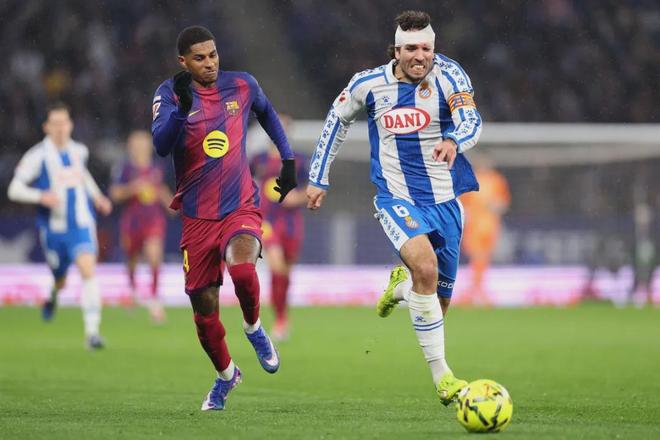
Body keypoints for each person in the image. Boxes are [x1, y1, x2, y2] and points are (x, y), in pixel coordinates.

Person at [306, 10, 482, 406]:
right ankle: (443, 378)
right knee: (426, 268)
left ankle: (401, 288)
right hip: (396, 197)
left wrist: (453, 140)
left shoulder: (451, 75)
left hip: (446, 201)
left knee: (438, 302)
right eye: (412, 49)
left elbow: (471, 120)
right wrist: (318, 177)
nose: (421, 56)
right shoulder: (368, 84)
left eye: (427, 49)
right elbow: (336, 121)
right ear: (396, 51)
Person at [151, 26, 297, 411]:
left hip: (239, 205)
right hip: (197, 217)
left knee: (244, 271)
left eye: (213, 55)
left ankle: (254, 327)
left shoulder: (242, 85)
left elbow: (267, 113)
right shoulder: (169, 93)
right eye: (199, 58)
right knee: (204, 314)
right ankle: (227, 375)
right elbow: (161, 145)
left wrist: (287, 159)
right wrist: (181, 109)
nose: (210, 63)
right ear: (183, 61)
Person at [7, 102, 113, 349]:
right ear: (46, 127)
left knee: (88, 270)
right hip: (54, 231)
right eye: (55, 123)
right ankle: (53, 294)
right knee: (61, 280)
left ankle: (92, 333)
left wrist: (97, 197)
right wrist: (40, 196)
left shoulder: (79, 151)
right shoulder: (37, 156)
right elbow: (14, 189)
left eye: (64, 122)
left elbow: (82, 176)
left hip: (81, 225)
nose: (60, 128)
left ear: (70, 125)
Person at [250, 115, 308, 341]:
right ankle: (280, 319)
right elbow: (244, 182)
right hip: (268, 221)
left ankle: (283, 314)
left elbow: (311, 190)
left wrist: (297, 197)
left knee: (286, 272)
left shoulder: (299, 160)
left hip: (291, 223)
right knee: (276, 266)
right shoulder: (259, 159)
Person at [109, 130, 172, 322]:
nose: (140, 148)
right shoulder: (124, 168)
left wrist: (170, 203)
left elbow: (164, 191)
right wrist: (133, 187)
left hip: (153, 219)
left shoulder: (158, 168)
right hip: (132, 221)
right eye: (136, 144)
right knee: (132, 258)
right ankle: (133, 290)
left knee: (154, 256)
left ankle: (154, 300)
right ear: (130, 147)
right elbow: (115, 194)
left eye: (143, 144)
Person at [458, 153, 510, 306]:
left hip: (490, 224)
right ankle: (476, 291)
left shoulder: (497, 180)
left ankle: (476, 290)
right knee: (477, 256)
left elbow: (503, 202)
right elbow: (462, 203)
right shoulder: (470, 180)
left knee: (483, 258)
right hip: (474, 225)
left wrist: (495, 206)